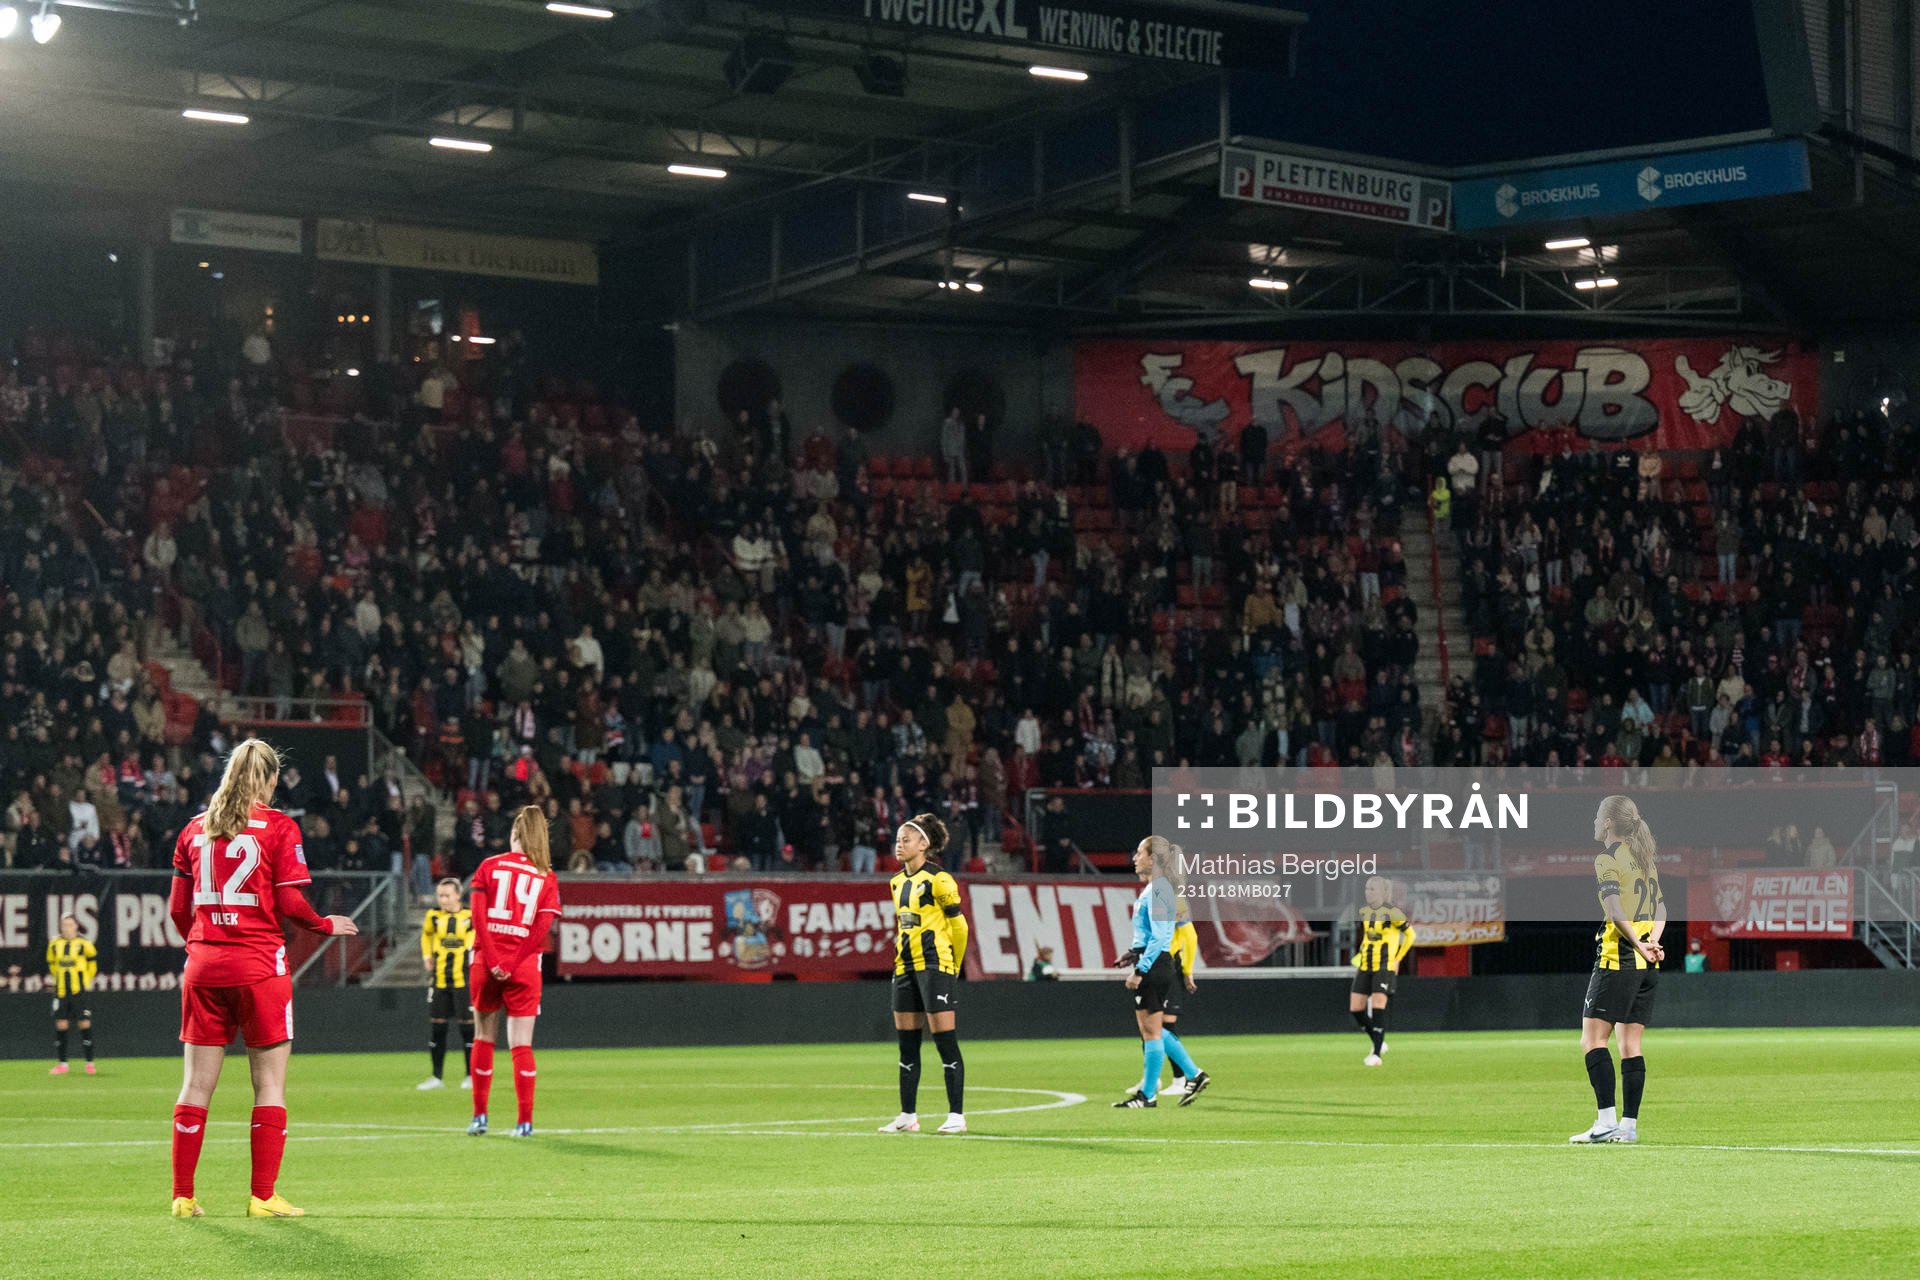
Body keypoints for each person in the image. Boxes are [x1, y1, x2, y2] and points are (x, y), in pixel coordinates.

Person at [167, 739, 359, 1219]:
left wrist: (199, 947)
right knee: (268, 1085)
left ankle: (183, 1196)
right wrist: (324, 924)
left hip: (204, 968)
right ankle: (262, 1196)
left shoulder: (194, 830)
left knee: (195, 1086)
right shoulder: (278, 827)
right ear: (271, 780)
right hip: (258, 970)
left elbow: (176, 909)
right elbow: (291, 904)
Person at [1571, 794, 1665, 1145]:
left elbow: (1613, 910)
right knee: (1630, 1045)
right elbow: (1662, 909)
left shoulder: (1608, 858)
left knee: (1592, 1040)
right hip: (1645, 966)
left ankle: (1605, 1121)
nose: (1594, 823)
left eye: (1598, 817)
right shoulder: (1645, 861)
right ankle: (1628, 1127)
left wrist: (1638, 943)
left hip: (1618, 959)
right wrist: (1651, 943)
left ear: (1609, 823)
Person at [467, 806, 562, 1137]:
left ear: (514, 834)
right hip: (524, 967)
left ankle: (480, 1117)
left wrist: (494, 960)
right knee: (521, 1044)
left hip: (485, 963)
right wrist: (512, 961)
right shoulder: (546, 875)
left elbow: (478, 919)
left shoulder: (488, 866)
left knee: (483, 1036)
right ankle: (525, 1122)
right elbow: (541, 929)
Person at [878, 813, 970, 1136]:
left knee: (945, 1042)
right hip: (904, 966)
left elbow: (959, 926)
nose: (899, 844)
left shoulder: (939, 880)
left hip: (935, 966)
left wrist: (953, 966)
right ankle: (907, 1115)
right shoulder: (896, 882)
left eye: (906, 839)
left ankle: (956, 1115)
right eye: (898, 839)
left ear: (924, 844)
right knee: (907, 1045)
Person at [1113, 836, 1206, 1109]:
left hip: (1155, 965)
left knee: (1151, 1031)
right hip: (1150, 960)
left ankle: (1149, 1095)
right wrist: (1132, 953)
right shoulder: (1156, 889)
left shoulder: (1159, 890)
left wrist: (1140, 970)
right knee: (1151, 1029)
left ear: (1153, 859)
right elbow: (1148, 936)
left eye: (1139, 853)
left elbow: (1161, 937)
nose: (1134, 858)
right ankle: (1193, 1074)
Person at [416, 877, 475, 1091]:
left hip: (463, 980)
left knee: (467, 1028)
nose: (443, 899)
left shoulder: (469, 916)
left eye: (447, 895)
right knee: (437, 1028)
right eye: (440, 895)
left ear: (458, 895)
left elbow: (472, 943)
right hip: (439, 979)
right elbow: (426, 936)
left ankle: (470, 1075)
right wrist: (426, 956)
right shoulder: (433, 916)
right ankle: (436, 1077)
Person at [1350, 875, 1415, 1067]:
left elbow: (1410, 935)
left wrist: (1397, 958)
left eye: (1372, 889)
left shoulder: (1393, 913)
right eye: (1366, 889)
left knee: (1378, 1007)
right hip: (1365, 965)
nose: (1367, 892)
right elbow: (1369, 938)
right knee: (1356, 1009)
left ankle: (1376, 1054)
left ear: (1382, 892)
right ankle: (1379, 1041)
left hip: (1384, 966)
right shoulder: (1364, 912)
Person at [46, 913, 98, 1076]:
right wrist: (58, 979)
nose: (68, 928)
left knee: (84, 1024)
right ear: (61, 927)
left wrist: (85, 981)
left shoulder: (84, 944)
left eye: (70, 924)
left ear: (76, 926)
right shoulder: (55, 944)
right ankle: (63, 1064)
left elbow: (92, 965)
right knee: (61, 1025)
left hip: (78, 991)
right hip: (61, 991)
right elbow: (52, 964)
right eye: (65, 925)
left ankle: (89, 1063)